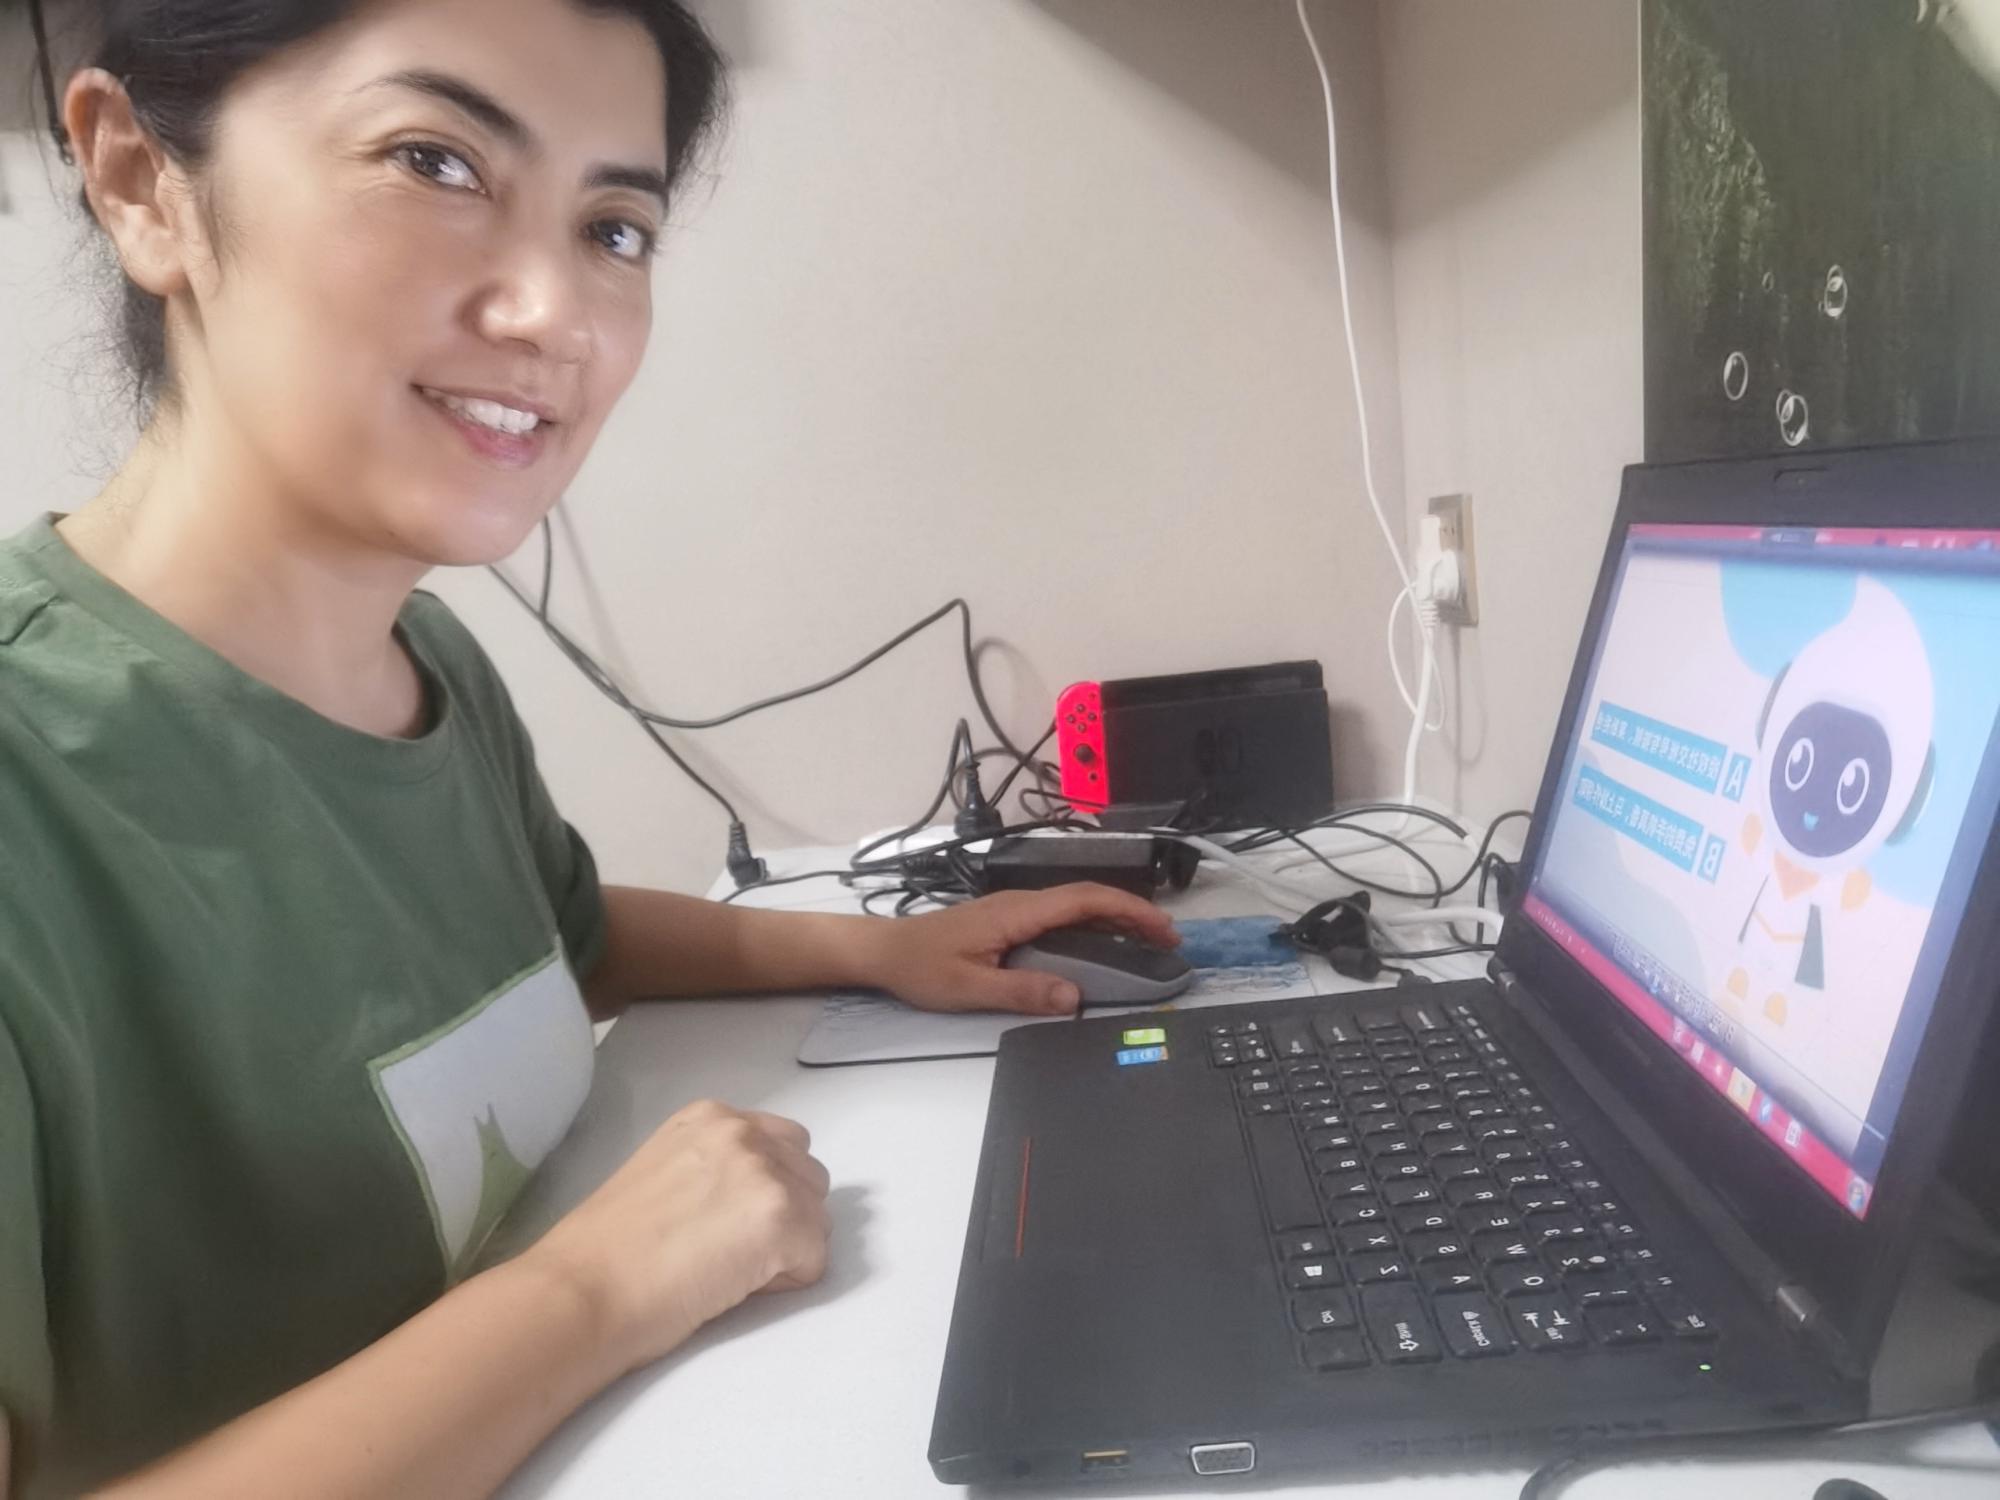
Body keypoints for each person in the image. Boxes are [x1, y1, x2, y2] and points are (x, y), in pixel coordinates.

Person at [0, 2, 1178, 1494]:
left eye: (615, 228)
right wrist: (593, 1290)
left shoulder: (429, 660)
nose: (556, 312)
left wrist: (879, 950)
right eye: (434, 160)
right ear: (138, 180)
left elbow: (555, 940)